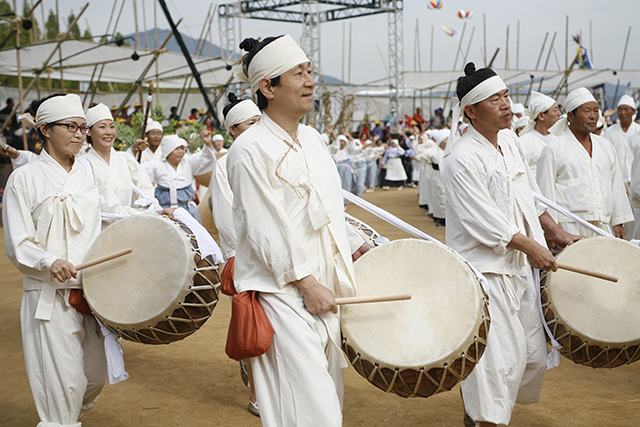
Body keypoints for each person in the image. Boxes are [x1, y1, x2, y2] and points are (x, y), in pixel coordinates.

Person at [226, 34, 370, 427]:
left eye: (310, 71)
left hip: (324, 287)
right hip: (282, 292)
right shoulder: (249, 149)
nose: (309, 81)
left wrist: (356, 245)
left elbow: (328, 210)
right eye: (298, 73)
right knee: (310, 410)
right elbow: (264, 228)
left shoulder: (312, 138)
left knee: (328, 401)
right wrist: (306, 284)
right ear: (267, 87)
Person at [440, 63, 579, 427]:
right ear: (471, 110)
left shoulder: (511, 142)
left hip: (519, 270)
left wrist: (553, 231)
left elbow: (528, 198)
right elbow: (483, 220)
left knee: (528, 355)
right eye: (494, 99)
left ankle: (478, 415)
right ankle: (484, 419)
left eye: (505, 96)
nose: (506, 105)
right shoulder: (459, 159)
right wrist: (531, 247)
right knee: (494, 362)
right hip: (485, 275)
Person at [2, 93, 149, 427]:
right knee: (63, 384)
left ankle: (64, 415)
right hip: (48, 296)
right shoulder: (23, 179)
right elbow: (17, 242)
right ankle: (60, 420)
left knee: (94, 376)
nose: (79, 134)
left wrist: (153, 220)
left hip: (91, 293)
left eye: (83, 127)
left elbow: (112, 215)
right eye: (71, 126)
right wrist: (49, 261)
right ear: (44, 129)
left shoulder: (87, 174)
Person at [210, 92, 262, 417]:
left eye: (260, 121)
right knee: (253, 330)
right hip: (246, 259)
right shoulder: (223, 164)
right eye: (251, 123)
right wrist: (253, 250)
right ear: (233, 129)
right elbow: (227, 222)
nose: (258, 128)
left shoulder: (269, 156)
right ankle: (257, 395)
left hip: (276, 259)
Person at [538, 87, 634, 238]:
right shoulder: (554, 149)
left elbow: (615, 185)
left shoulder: (605, 146)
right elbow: (545, 194)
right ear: (571, 116)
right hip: (569, 227)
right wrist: (551, 231)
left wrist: (618, 222)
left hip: (603, 226)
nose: (593, 116)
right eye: (587, 111)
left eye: (596, 111)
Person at [83, 103, 155, 207]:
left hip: (131, 220)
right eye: (102, 127)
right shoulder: (83, 164)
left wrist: (142, 208)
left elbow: (145, 187)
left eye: (112, 126)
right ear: (88, 131)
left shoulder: (126, 160)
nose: (109, 132)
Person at [143, 134, 215, 222]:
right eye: (176, 149)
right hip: (165, 212)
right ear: (168, 151)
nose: (181, 152)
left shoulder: (189, 163)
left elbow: (205, 161)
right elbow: (139, 173)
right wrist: (134, 151)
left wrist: (208, 144)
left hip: (188, 211)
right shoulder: (157, 165)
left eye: (182, 148)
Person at [518, 91, 561, 176]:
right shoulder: (524, 141)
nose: (559, 114)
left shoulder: (558, 138)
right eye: (555, 110)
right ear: (541, 116)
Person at [603, 94, 639, 185]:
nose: (622, 113)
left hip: (635, 181)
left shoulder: (638, 131)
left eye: (626, 109)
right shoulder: (609, 132)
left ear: (634, 111)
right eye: (620, 110)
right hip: (614, 181)